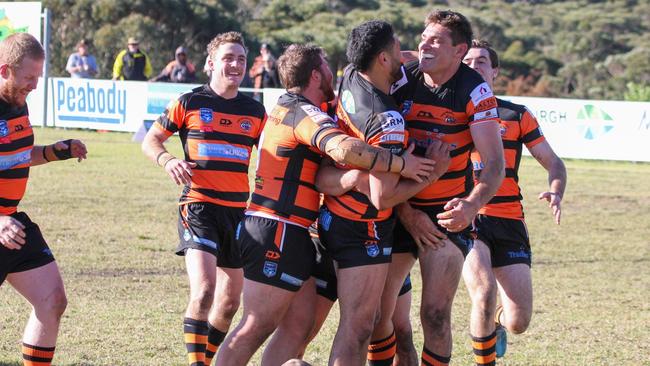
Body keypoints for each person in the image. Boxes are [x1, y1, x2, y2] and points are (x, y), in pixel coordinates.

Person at [215, 43, 437, 366]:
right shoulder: (304, 113)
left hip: (294, 230)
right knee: (255, 325)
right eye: (327, 68)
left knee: (299, 324)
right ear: (317, 74)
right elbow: (345, 151)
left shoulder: (294, 105)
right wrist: (401, 164)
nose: (335, 73)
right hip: (276, 228)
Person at [320, 20, 450, 366]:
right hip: (363, 226)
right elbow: (383, 197)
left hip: (333, 213)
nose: (402, 53)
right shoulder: (386, 118)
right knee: (360, 326)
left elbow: (405, 59)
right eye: (395, 49)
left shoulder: (351, 75)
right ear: (381, 59)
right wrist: (431, 174)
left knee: (371, 322)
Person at [141, 31, 266, 366]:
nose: (236, 64)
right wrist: (168, 160)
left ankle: (207, 360)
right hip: (198, 206)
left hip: (239, 214)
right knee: (205, 290)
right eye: (228, 57)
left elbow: (271, 155)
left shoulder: (255, 111)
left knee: (228, 303)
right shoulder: (190, 102)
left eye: (241, 58)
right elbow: (150, 139)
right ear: (211, 63)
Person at [390, 10, 505, 366]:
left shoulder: (474, 89)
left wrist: (470, 207)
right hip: (395, 207)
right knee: (385, 320)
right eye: (424, 36)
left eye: (436, 40)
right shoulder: (400, 78)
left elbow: (495, 164)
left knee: (436, 314)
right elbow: (376, 154)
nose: (425, 44)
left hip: (446, 216)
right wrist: (406, 212)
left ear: (460, 51)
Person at [461, 39, 567, 361]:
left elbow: (554, 162)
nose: (474, 66)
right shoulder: (448, 113)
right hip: (468, 215)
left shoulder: (516, 115)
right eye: (467, 61)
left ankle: (498, 322)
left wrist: (556, 189)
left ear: (494, 70)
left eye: (481, 61)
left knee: (519, 321)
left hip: (509, 218)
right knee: (483, 292)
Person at [0, 33, 88, 366]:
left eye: (38, 77)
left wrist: (53, 152)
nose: (34, 86)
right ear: (5, 69)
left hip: (12, 223)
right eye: (28, 78)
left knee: (51, 300)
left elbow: (18, 154)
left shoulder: (17, 102)